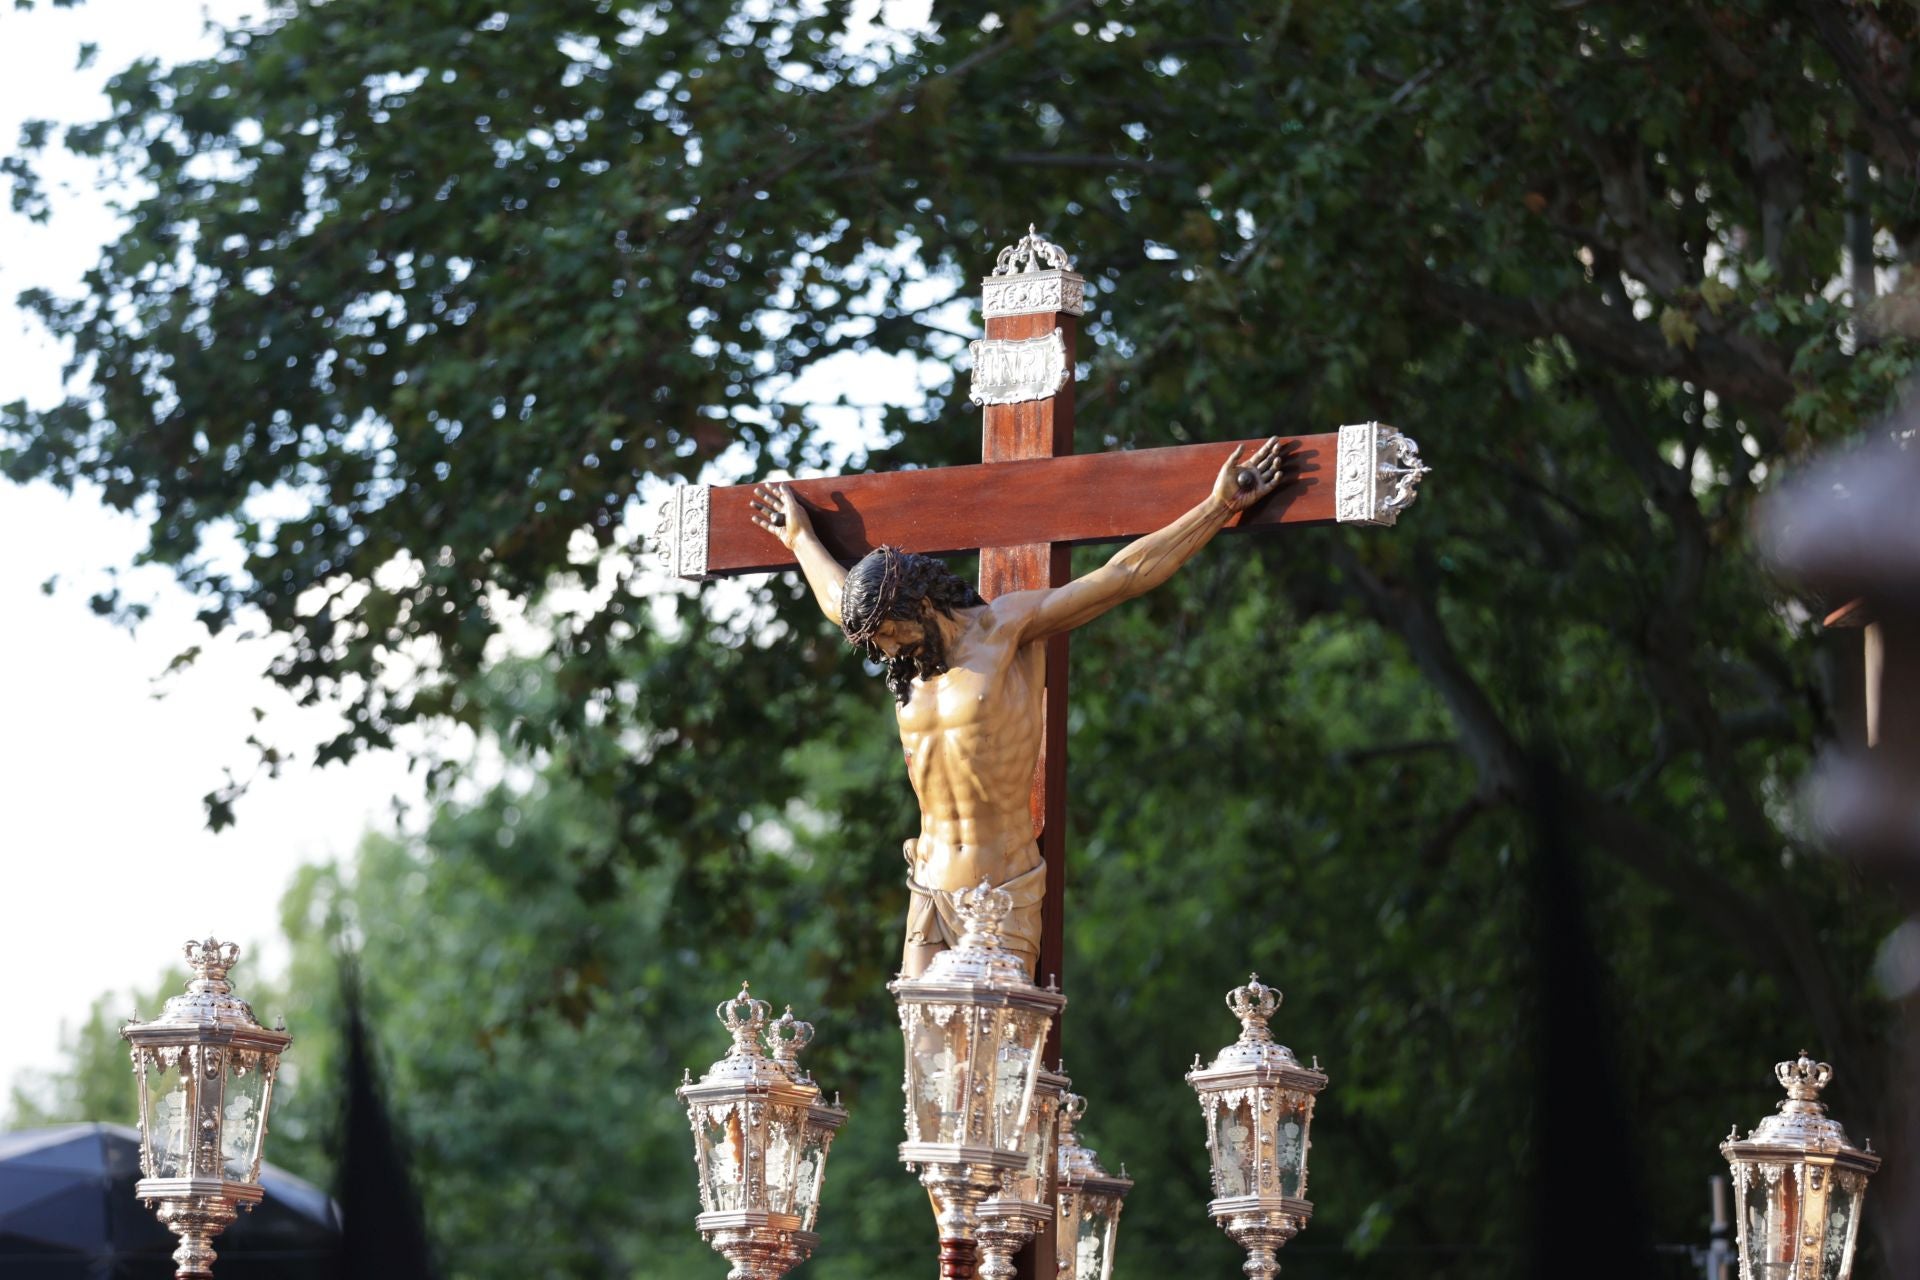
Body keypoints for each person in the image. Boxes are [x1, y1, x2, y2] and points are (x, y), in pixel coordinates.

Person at [751, 437, 1295, 977]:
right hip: (930, 885)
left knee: (1002, 1034)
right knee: (921, 1034)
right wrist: (801, 538)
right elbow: (836, 598)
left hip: (1000, 889)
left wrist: (1217, 506)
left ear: (923, 604)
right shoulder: (902, 652)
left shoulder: (1003, 630)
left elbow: (1120, 578)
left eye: (894, 633)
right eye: (879, 642)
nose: (890, 650)